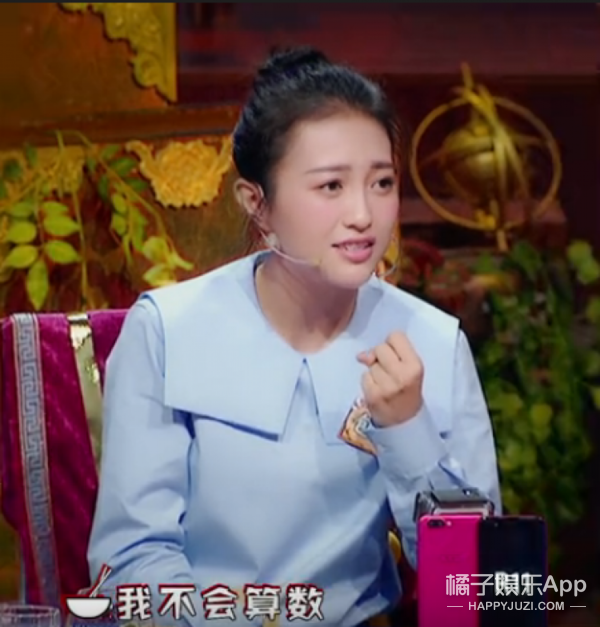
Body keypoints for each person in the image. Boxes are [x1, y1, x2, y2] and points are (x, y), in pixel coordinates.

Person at [88, 46, 501, 626]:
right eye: (330, 186)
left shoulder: (430, 341)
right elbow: (132, 557)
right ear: (257, 204)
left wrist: (409, 430)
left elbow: (473, 588)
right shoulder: (167, 330)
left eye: (381, 183)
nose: (363, 214)